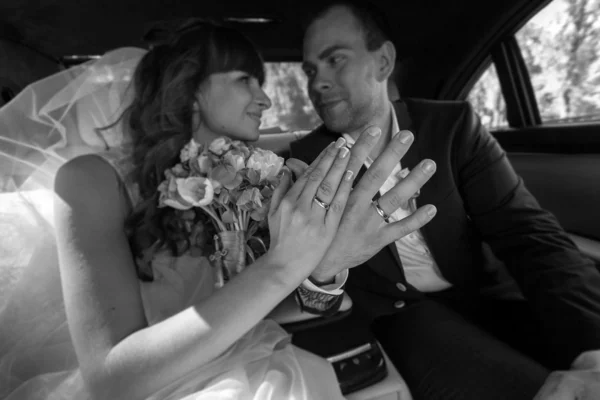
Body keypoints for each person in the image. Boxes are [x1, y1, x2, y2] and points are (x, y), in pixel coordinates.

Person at [0, 19, 434, 399]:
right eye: (246, 79)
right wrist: (285, 265)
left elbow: (259, 309)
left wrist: (323, 273)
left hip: (257, 360)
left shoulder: (256, 178)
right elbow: (112, 382)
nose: (265, 100)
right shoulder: (88, 180)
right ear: (188, 89)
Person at [291, 1, 600, 399]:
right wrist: (326, 269)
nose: (318, 82)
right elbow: (306, 285)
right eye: (311, 71)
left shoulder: (454, 129)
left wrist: (592, 347)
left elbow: (528, 235)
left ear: (383, 62)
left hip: (484, 298)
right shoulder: (305, 161)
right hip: (397, 319)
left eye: (335, 60)